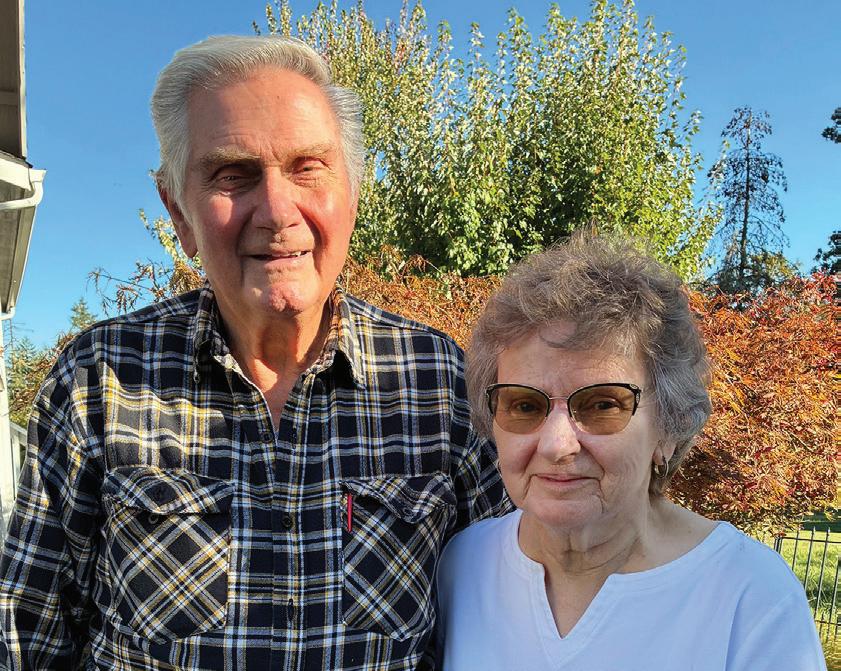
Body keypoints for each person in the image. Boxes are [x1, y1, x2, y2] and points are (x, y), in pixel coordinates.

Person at [0, 35, 509, 670]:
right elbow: (25, 639)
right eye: (232, 175)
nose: (276, 210)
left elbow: (517, 614)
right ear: (178, 213)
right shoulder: (98, 382)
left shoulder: (439, 383)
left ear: (351, 195)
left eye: (308, 168)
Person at [436, 233, 826, 670]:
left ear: (669, 427)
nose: (557, 444)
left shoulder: (751, 598)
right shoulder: (463, 567)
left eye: (603, 405)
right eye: (524, 405)